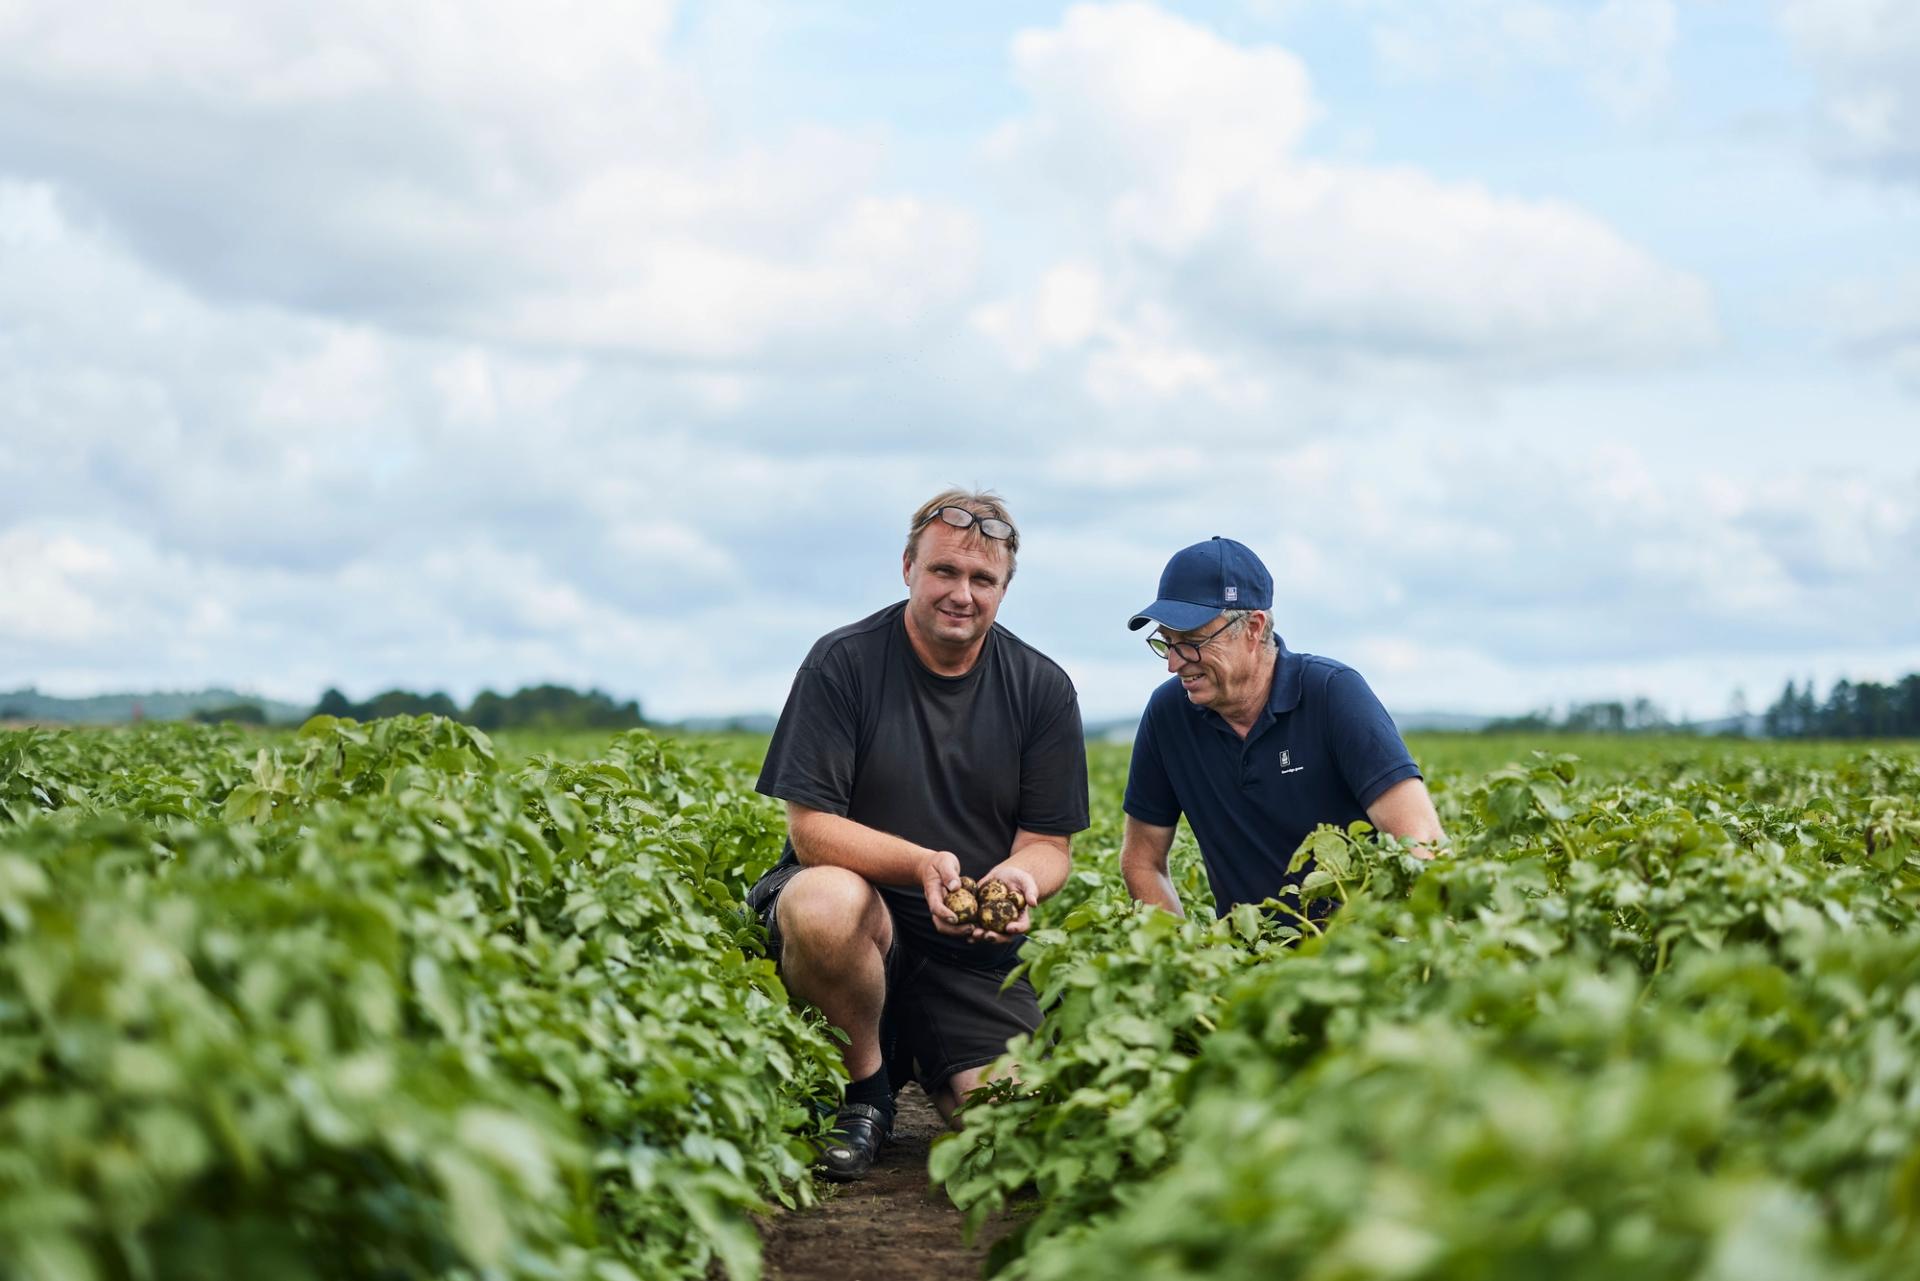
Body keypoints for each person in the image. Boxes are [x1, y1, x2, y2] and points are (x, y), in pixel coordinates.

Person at [746, 489, 1090, 1181]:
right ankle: (865, 1092)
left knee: (1015, 1139)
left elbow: (1049, 846)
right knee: (823, 901)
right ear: (908, 566)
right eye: (945, 571)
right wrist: (924, 863)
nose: (961, 593)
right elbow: (812, 831)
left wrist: (1019, 878)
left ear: (1002, 589)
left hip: (968, 948)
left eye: (982, 579)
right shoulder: (842, 663)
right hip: (862, 920)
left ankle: (921, 1046)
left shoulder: (1043, 688)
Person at [1119, 536, 1445, 918]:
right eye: (1166, 643)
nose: (1174, 665)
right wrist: (1188, 963)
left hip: (1359, 958)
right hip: (1247, 966)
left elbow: (1420, 842)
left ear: (1254, 628)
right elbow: (1142, 860)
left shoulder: (1331, 694)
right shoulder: (1168, 715)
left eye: (1191, 643)